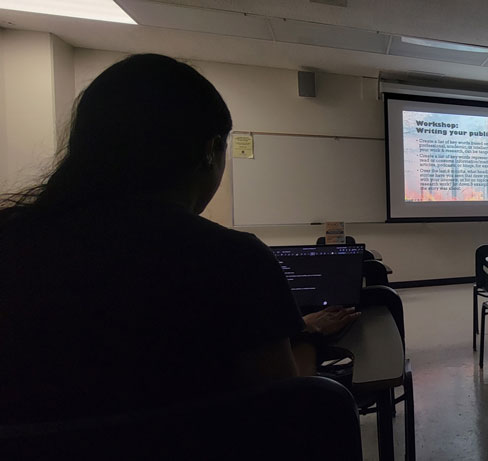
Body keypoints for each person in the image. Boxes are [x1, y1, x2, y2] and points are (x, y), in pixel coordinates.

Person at [0, 54, 359, 424]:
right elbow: (285, 410)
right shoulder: (233, 259)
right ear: (209, 151)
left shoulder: (13, 241)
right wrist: (306, 335)